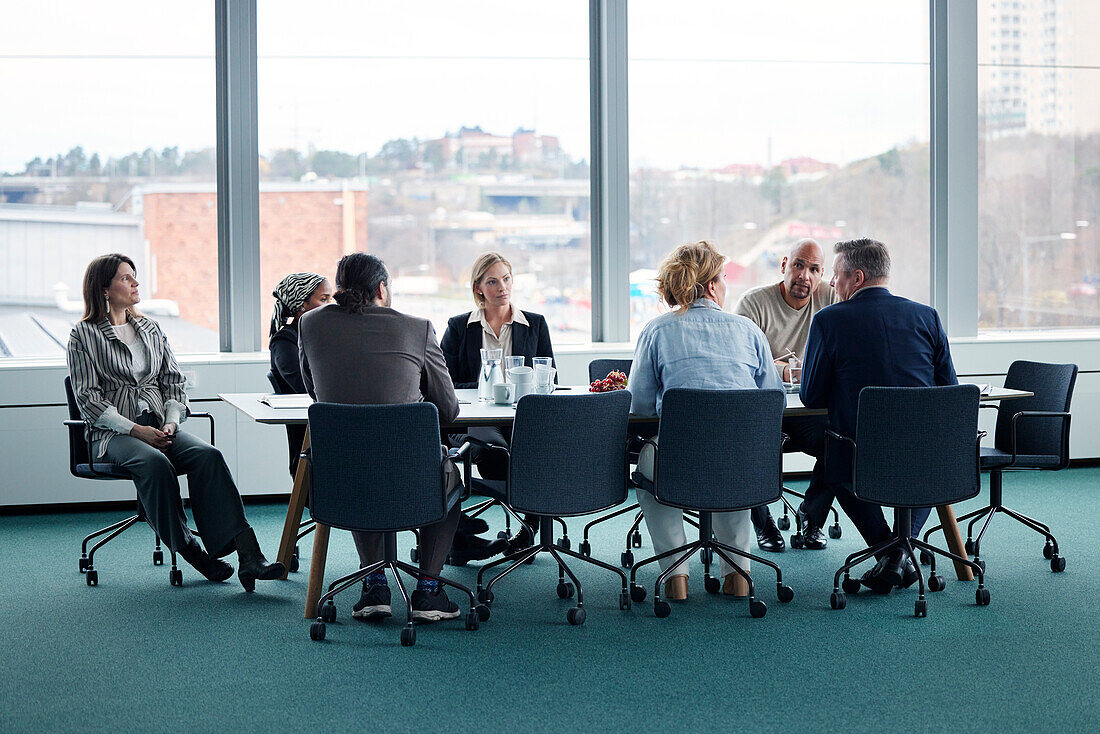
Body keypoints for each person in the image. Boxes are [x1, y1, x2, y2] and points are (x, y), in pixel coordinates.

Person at [66, 253, 284, 591]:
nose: (135, 283)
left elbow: (173, 381)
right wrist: (136, 430)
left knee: (208, 456)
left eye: (134, 276)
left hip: (158, 423)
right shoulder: (84, 335)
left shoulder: (150, 329)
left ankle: (249, 556)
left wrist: (170, 421)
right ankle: (191, 549)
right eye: (126, 278)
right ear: (104, 288)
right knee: (155, 464)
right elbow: (88, 399)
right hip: (113, 433)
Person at [298, 252, 465, 622]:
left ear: (339, 289)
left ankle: (374, 584)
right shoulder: (417, 327)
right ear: (382, 288)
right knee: (448, 474)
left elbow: (314, 391)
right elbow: (449, 410)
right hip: (411, 475)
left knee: (360, 454)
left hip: (341, 475)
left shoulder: (309, 324)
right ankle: (428, 591)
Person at [800, 238, 958, 593]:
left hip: (861, 455)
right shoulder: (927, 316)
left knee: (834, 462)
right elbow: (949, 389)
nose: (831, 284)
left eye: (836, 276)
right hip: (926, 454)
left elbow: (810, 397)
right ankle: (902, 552)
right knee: (926, 470)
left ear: (856, 278)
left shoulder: (828, 321)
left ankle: (891, 552)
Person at [629, 240, 783, 601]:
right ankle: (737, 574)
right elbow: (771, 400)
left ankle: (675, 574)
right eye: (724, 279)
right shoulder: (749, 331)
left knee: (649, 462)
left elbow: (639, 407)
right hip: (744, 462)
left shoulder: (658, 330)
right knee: (734, 448)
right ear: (713, 286)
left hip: (680, 460)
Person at [440, 251, 555, 558]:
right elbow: (443, 381)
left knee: (534, 448)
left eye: (506, 278)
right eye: (492, 281)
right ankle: (460, 532)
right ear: (479, 287)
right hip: (477, 419)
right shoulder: (459, 327)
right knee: (494, 454)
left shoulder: (535, 324)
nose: (502, 287)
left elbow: (548, 376)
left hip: (523, 418)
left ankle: (528, 529)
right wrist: (488, 390)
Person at [735, 238, 838, 551]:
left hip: (807, 411)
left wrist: (779, 363)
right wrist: (784, 368)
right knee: (745, 445)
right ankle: (763, 522)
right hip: (764, 412)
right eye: (798, 265)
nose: (804, 275)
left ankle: (813, 518)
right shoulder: (754, 303)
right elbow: (742, 364)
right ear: (784, 266)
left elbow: (839, 356)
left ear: (822, 275)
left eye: (814, 269)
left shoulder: (830, 299)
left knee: (839, 443)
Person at [268, 272, 333, 477]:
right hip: (313, 436)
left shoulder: (324, 336)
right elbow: (303, 385)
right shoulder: (285, 341)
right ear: (301, 304)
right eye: (323, 299)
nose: (330, 305)